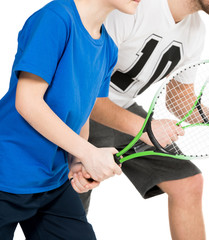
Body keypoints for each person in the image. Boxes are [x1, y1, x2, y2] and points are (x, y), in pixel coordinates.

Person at [74, 0, 209, 239]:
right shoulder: (130, 7)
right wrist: (145, 128)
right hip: (76, 114)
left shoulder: (195, 30)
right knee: (70, 208)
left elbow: (179, 98)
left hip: (123, 111)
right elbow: (83, 93)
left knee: (187, 183)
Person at [0, 0, 141, 239]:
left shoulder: (107, 48)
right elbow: (28, 101)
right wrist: (88, 153)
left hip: (52, 180)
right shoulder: (55, 19)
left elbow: (81, 111)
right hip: (7, 174)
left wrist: (76, 159)